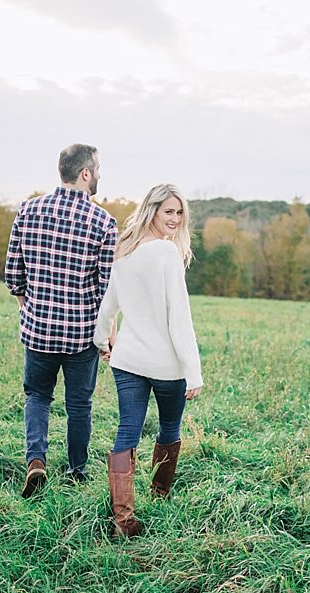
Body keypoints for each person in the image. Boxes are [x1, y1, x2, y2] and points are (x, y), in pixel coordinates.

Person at [5, 144, 118, 498]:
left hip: (38, 329)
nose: (98, 174)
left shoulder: (29, 209)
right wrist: (108, 336)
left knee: (37, 396)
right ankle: (76, 470)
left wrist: (31, 307)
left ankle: (36, 461)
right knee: (79, 405)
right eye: (96, 168)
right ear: (85, 173)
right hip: (81, 335)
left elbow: (13, 274)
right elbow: (107, 291)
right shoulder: (104, 222)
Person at [93, 183, 203, 537]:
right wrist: (193, 372)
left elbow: (108, 306)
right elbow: (179, 317)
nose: (174, 218)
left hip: (127, 359)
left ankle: (123, 517)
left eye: (179, 212)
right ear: (152, 210)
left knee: (128, 429)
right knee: (167, 430)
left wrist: (101, 341)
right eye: (168, 211)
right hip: (164, 364)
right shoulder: (166, 254)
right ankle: (156, 497)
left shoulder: (124, 250)